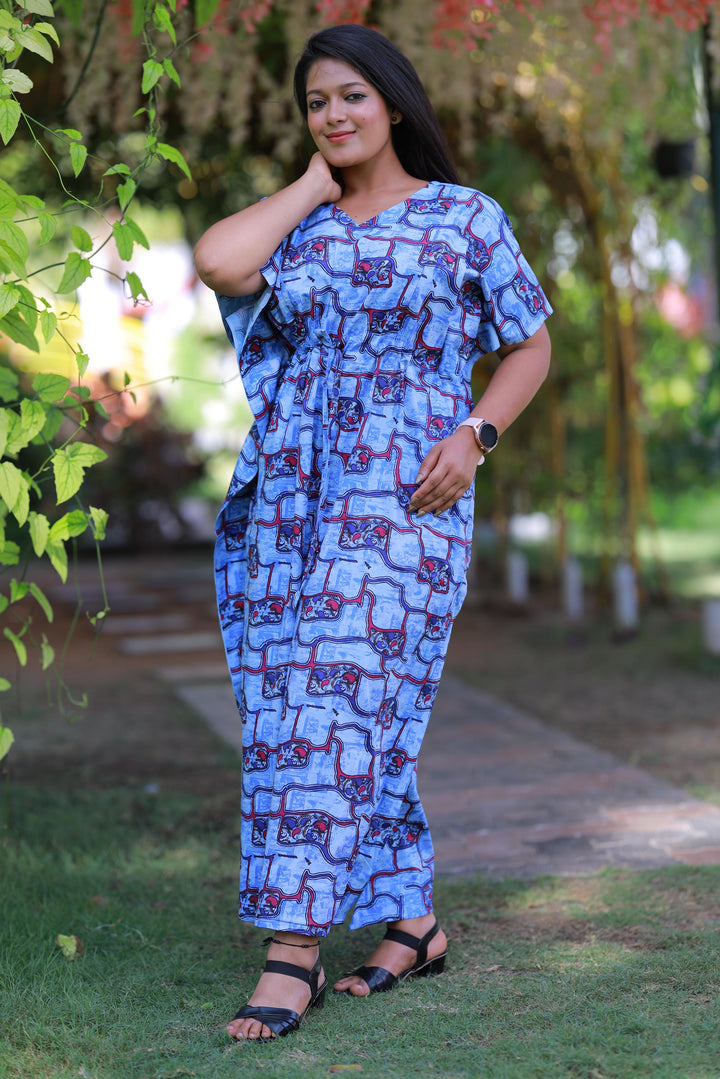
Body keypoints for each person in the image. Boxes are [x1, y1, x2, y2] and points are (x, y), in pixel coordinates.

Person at [194, 23, 552, 1043]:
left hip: (407, 499)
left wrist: (476, 435)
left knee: (329, 695)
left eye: (353, 95)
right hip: (291, 497)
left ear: (393, 101)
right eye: (317, 102)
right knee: (312, 706)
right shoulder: (301, 227)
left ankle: (291, 953)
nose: (335, 114)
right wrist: (314, 184)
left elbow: (531, 344)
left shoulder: (464, 218)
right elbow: (219, 260)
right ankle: (415, 924)